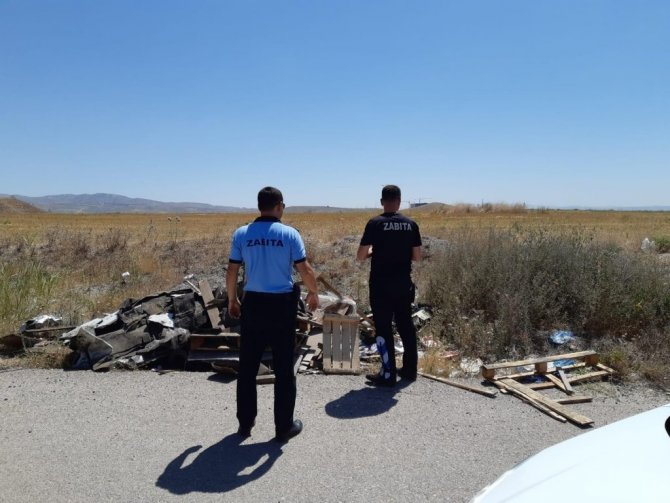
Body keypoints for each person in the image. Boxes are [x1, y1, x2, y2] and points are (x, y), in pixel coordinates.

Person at [226, 186, 319, 442]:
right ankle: (283, 427)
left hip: (253, 304)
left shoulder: (242, 233)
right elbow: (305, 269)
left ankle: (245, 424)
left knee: (248, 366)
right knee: (283, 367)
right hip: (281, 307)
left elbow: (232, 271)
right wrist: (313, 292)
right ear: (279, 206)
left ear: (260, 206)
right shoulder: (289, 234)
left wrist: (232, 299)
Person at [357, 185, 422, 387]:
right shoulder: (411, 224)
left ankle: (388, 374)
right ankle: (410, 370)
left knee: (383, 329)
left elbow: (361, 255)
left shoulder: (375, 223)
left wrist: (374, 252)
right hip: (403, 284)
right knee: (406, 326)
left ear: (382, 201)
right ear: (399, 201)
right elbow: (417, 256)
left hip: (381, 286)